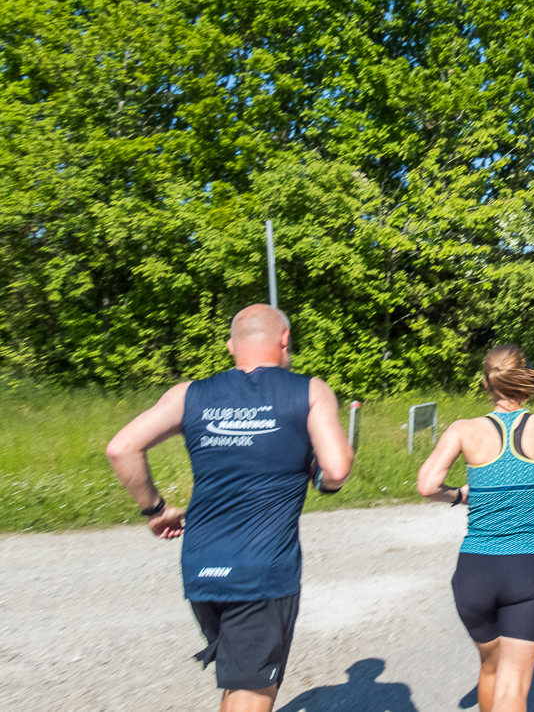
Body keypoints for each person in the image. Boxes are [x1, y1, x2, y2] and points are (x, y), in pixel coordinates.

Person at [106, 304, 354, 712]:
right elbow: (338, 468)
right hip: (262, 571)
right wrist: (320, 476)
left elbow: (122, 448)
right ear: (285, 340)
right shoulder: (308, 390)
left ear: (230, 346)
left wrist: (155, 510)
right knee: (252, 692)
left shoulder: (188, 394)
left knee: (239, 678)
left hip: (202, 567)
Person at [417, 345, 534, 712]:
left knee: (491, 669)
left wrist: (460, 496)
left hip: (473, 572)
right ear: (524, 380)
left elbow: (427, 484)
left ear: (486, 383)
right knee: (513, 689)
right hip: (526, 569)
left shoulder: (464, 430)